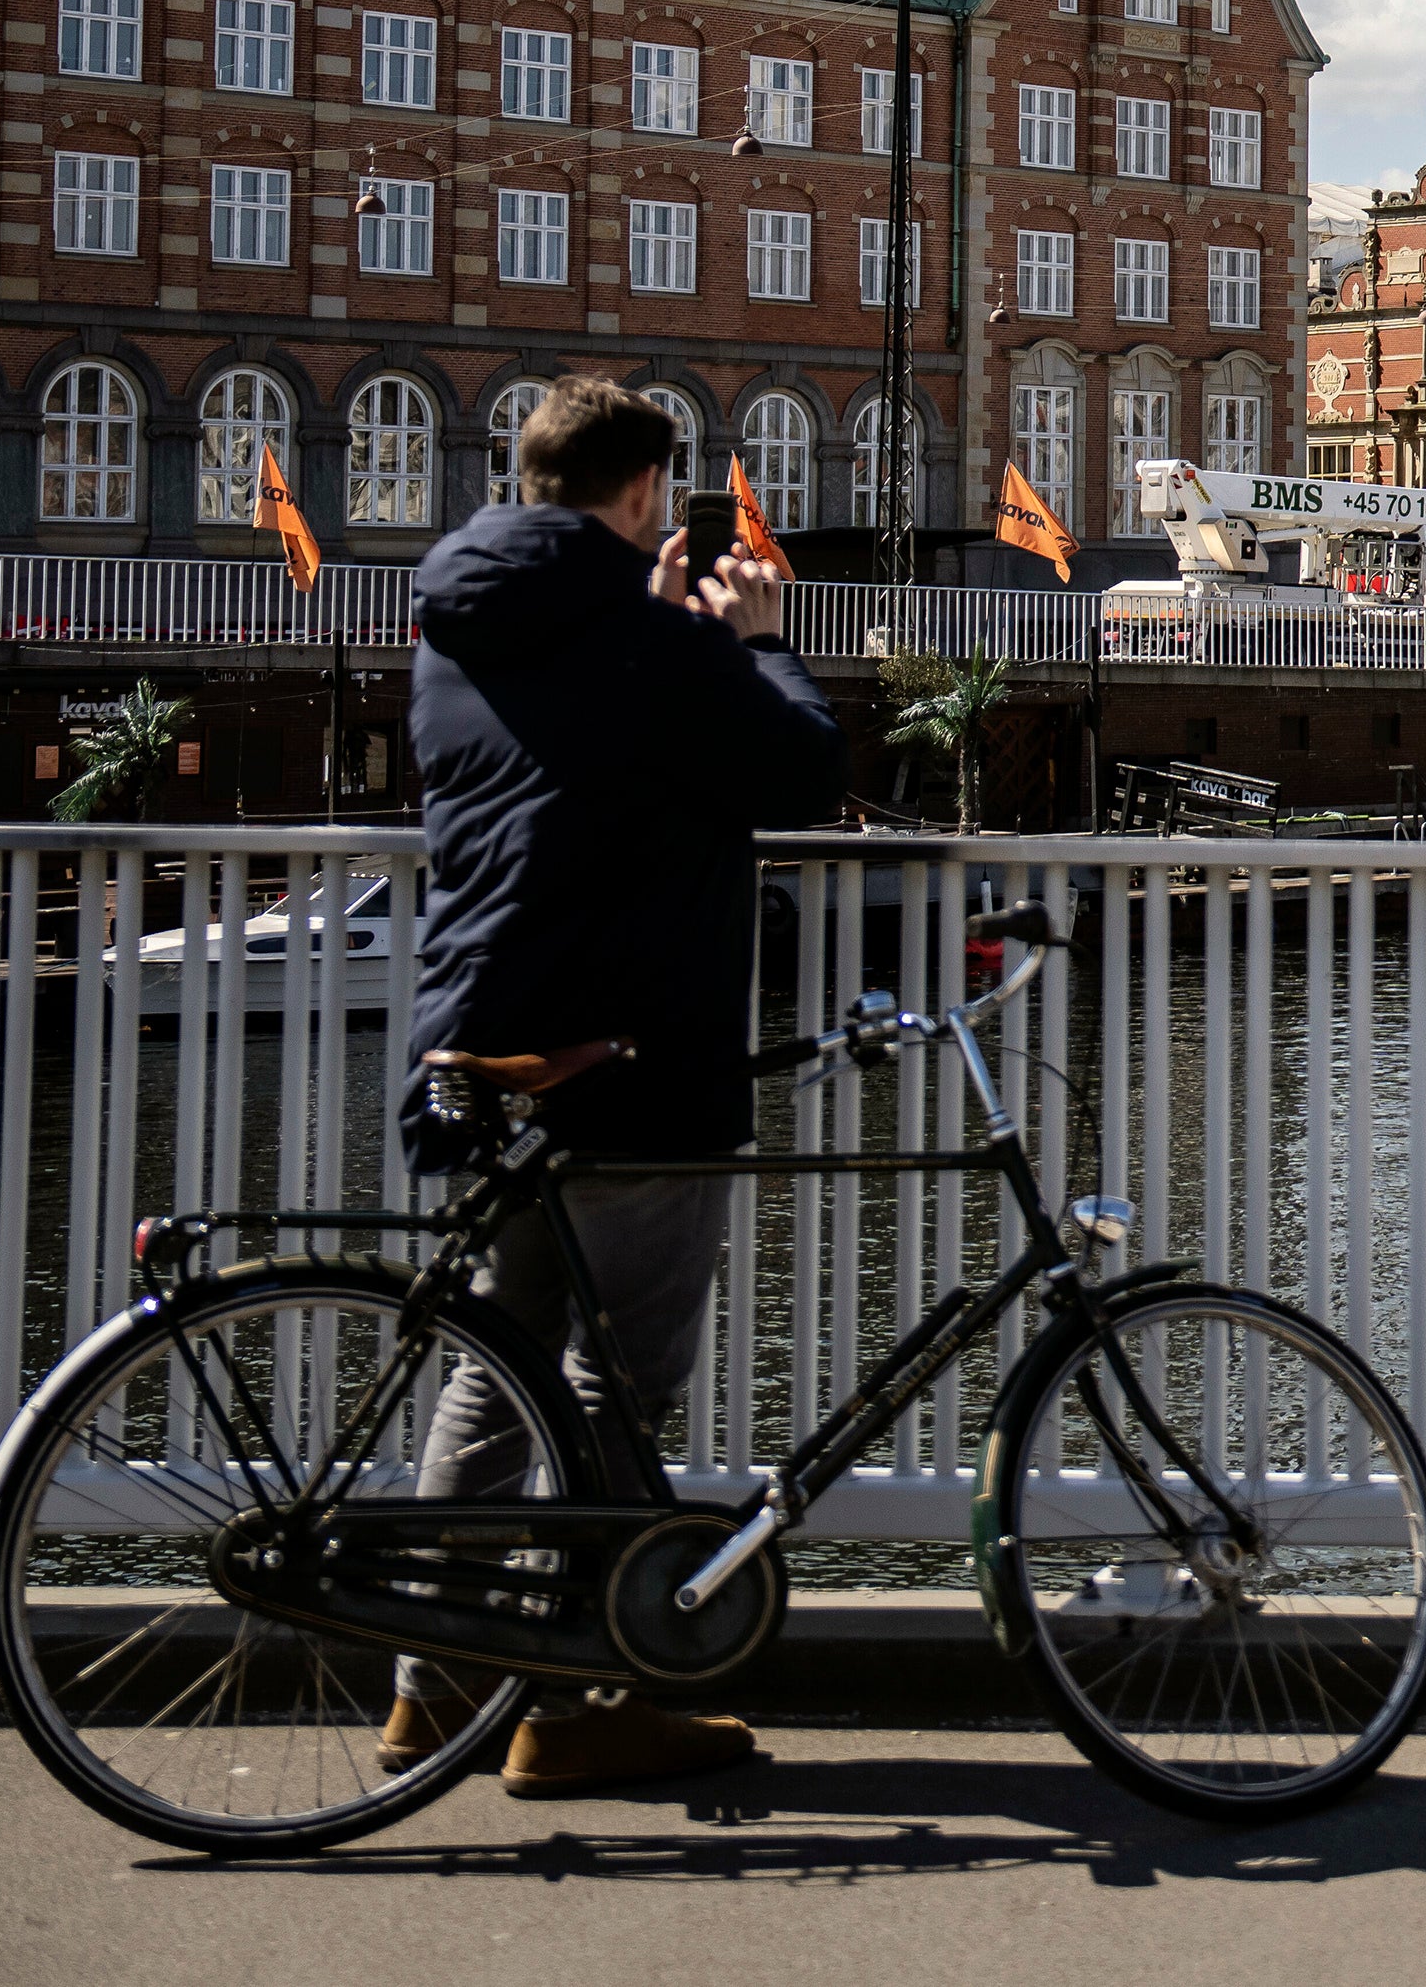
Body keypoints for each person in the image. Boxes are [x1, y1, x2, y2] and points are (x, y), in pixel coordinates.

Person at [380, 379, 845, 1798]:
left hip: (483, 1039)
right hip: (631, 1055)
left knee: (496, 1368)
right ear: (647, 492)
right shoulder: (648, 639)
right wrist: (760, 645)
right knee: (614, 1389)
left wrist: (669, 638)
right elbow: (804, 772)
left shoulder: (456, 624)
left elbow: (566, 778)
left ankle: (432, 1678)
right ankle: (575, 1706)